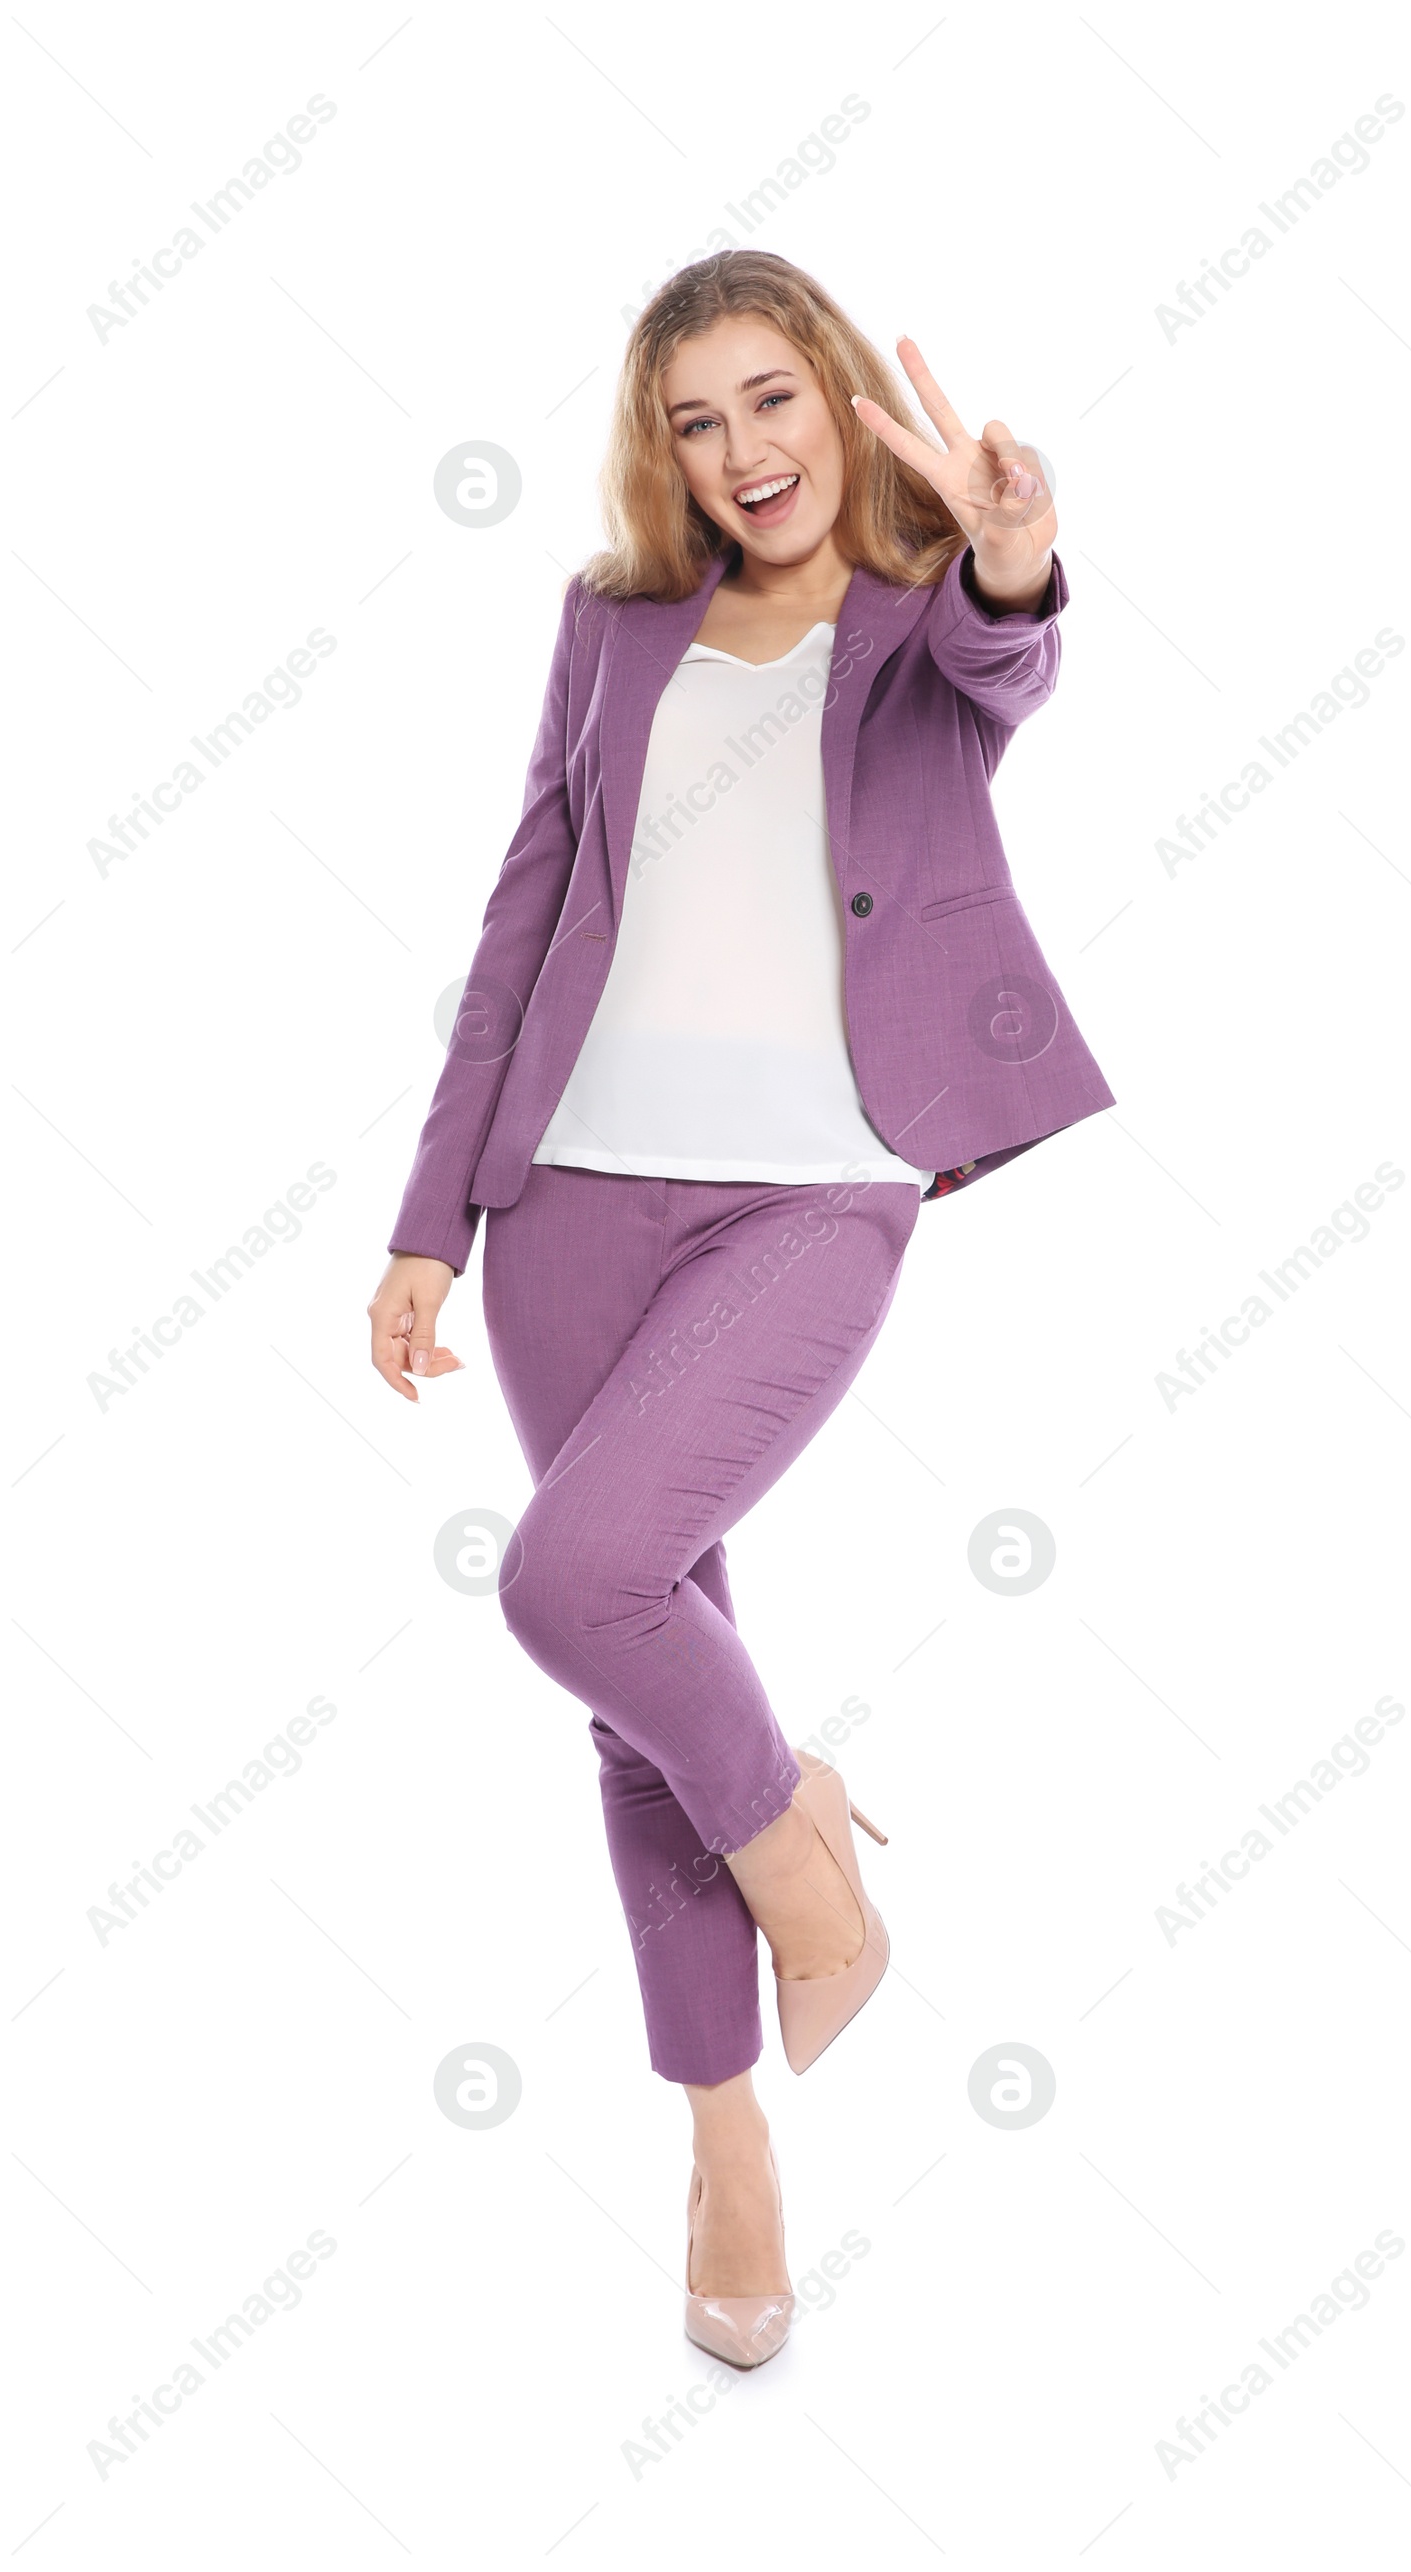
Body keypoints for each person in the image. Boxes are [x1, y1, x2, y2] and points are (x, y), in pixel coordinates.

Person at [368, 250, 1113, 2369]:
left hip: (815, 1189)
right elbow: (519, 917)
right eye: (694, 418)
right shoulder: (608, 631)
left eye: (772, 400)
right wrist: (430, 1214)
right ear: (656, 444)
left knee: (576, 1576)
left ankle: (799, 1844)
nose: (743, 452)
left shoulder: (913, 629)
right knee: (638, 1659)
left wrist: (1014, 546)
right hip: (565, 1203)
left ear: (836, 401)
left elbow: (1006, 663)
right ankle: (726, 2141)